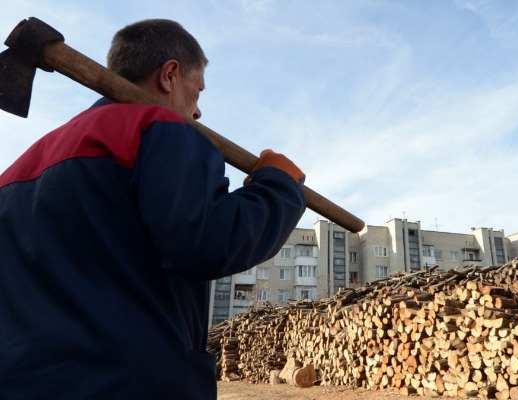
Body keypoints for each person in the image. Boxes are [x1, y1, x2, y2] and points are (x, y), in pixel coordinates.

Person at [0, 19, 306, 399]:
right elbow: (207, 242)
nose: (197, 114)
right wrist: (279, 187)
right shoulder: (158, 129)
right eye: (196, 93)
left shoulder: (16, 171)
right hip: (129, 383)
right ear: (170, 75)